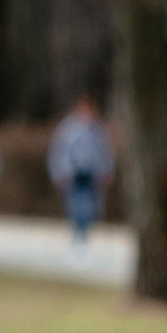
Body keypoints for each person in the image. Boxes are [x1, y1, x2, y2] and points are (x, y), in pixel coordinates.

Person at [47, 96, 115, 251]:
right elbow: (57, 151)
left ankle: (84, 235)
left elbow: (105, 152)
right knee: (75, 206)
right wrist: (56, 172)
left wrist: (107, 171)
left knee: (91, 208)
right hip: (72, 174)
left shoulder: (97, 129)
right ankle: (78, 236)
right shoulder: (67, 128)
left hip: (92, 173)